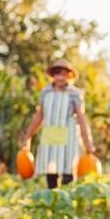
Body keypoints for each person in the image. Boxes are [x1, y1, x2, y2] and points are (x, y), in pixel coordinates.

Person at [22, 59, 96, 189]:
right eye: (57, 74)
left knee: (68, 169)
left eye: (64, 74)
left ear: (69, 76)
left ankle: (67, 199)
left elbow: (81, 117)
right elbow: (39, 116)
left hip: (69, 135)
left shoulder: (74, 93)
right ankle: (53, 198)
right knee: (51, 170)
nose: (60, 77)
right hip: (51, 134)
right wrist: (28, 137)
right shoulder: (46, 92)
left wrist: (87, 142)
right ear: (53, 76)